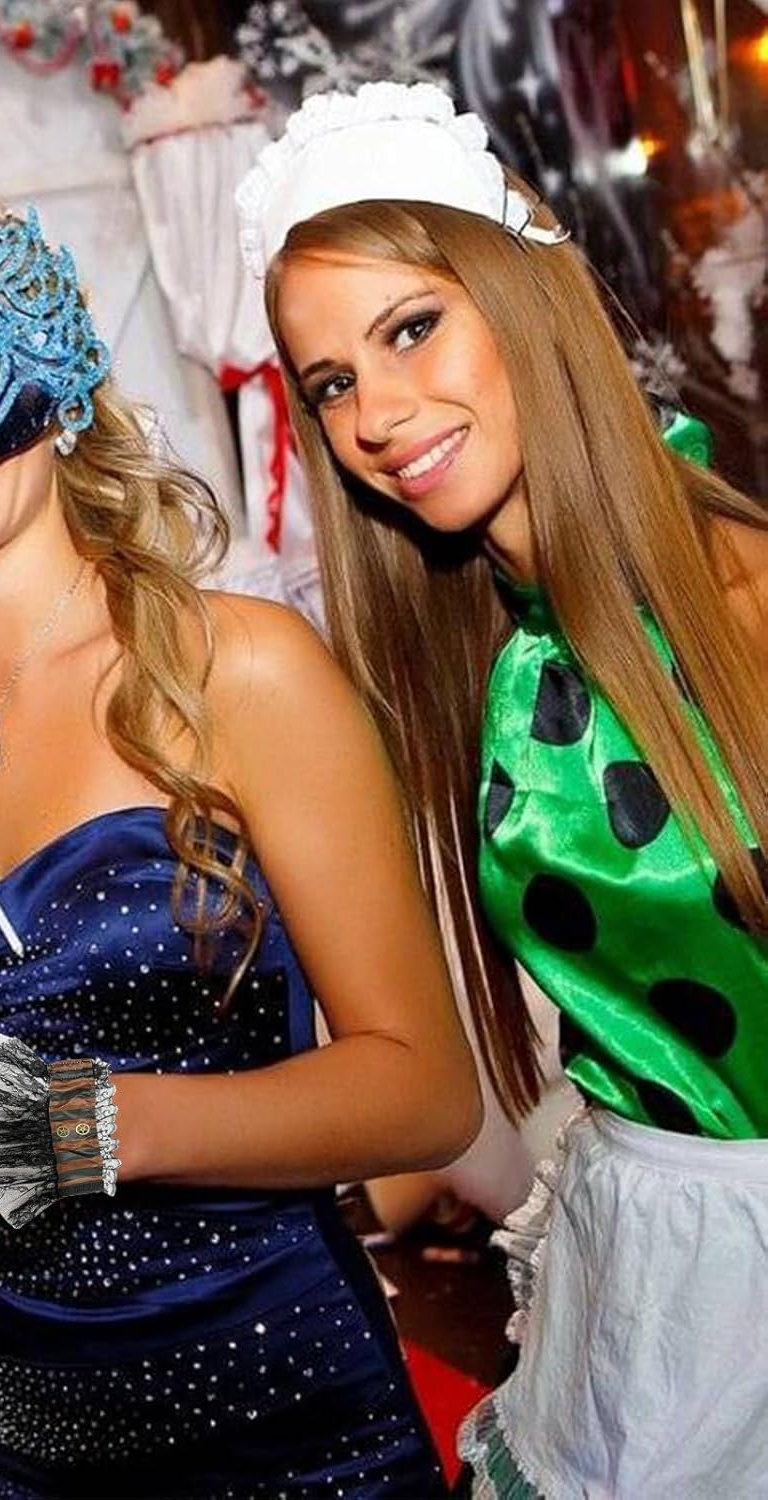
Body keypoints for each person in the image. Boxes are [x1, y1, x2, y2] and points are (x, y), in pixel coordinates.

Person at [0, 174, 481, 1497]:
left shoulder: (233, 667)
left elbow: (425, 1093)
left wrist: (93, 1125)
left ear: (60, 378)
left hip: (277, 1433)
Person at [238, 80, 768, 1497]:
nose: (375, 414)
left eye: (412, 328)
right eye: (331, 382)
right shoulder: (481, 664)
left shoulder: (746, 604)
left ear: (523, 295)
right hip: (639, 1285)